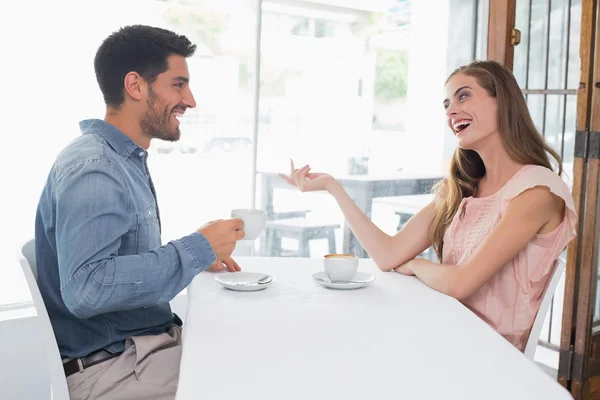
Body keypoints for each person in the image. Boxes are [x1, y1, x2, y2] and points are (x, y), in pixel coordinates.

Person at [283, 60, 577, 352]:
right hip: (442, 328)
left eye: (463, 96)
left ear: (503, 102)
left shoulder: (538, 190)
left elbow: (460, 284)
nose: (450, 111)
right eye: (447, 104)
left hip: (484, 353)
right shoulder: (463, 189)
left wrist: (415, 264)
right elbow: (387, 255)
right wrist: (334, 189)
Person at [35, 25, 245, 399]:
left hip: (136, 352)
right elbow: (88, 288)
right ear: (136, 86)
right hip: (115, 368)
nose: (191, 100)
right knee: (261, 378)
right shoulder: (95, 167)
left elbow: (117, 263)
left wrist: (200, 254)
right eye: (178, 84)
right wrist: (196, 248)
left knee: (256, 352)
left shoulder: (122, 159)